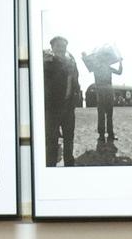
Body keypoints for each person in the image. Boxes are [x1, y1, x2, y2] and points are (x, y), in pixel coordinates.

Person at [43, 36, 79, 166]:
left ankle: (69, 163)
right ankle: (50, 167)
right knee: (52, 140)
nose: (61, 48)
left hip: (69, 107)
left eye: (63, 46)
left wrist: (76, 96)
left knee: (69, 137)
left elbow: (76, 81)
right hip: (52, 108)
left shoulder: (72, 62)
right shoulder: (47, 63)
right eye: (57, 45)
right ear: (52, 47)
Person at [84, 47, 123, 141]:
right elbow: (87, 61)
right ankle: (102, 135)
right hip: (101, 91)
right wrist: (85, 56)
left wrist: (120, 62)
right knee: (102, 114)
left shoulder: (106, 67)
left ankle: (109, 134)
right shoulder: (95, 67)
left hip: (108, 91)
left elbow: (119, 72)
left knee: (108, 114)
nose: (104, 59)